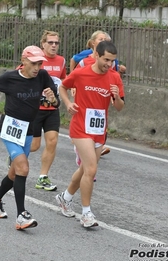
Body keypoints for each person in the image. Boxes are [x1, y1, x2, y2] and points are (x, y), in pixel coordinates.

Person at [0, 45, 59, 230]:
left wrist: (52, 98)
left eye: (40, 63)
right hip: (10, 128)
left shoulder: (42, 76)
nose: (37, 67)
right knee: (23, 168)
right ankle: (21, 215)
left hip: (28, 129)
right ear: (23, 61)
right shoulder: (10, 78)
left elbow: (55, 103)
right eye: (33, 63)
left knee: (15, 172)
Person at [55, 41, 125, 227]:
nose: (109, 64)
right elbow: (62, 86)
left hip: (99, 129)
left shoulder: (115, 77)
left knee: (85, 169)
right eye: (106, 60)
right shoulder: (81, 72)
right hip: (80, 127)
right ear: (96, 55)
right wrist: (68, 103)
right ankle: (86, 213)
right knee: (91, 170)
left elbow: (119, 107)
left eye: (112, 61)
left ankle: (65, 197)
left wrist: (116, 96)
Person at [30, 30, 66, 191]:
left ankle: (42, 177)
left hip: (52, 107)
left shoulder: (61, 61)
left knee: (52, 141)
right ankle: (15, 154)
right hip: (35, 108)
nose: (53, 45)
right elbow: (21, 73)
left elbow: (64, 79)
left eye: (56, 43)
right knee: (35, 145)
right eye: (50, 42)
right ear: (43, 44)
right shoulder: (36, 59)